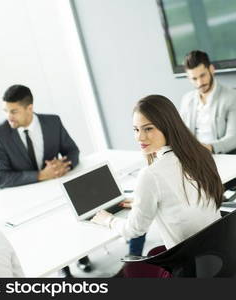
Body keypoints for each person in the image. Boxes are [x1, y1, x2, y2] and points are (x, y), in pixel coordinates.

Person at [92, 95, 223, 277]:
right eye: (136, 129)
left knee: (130, 271)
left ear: (167, 126)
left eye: (148, 129)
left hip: (188, 269)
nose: (140, 137)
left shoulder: (151, 175)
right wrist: (143, 201)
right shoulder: (201, 153)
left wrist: (107, 219)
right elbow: (183, 198)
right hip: (220, 256)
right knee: (155, 252)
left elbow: (134, 229)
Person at [0, 84, 91, 276]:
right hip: (27, 198)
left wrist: (63, 166)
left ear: (29, 108)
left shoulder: (53, 122)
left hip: (57, 188)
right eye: (6, 111)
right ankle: (63, 268)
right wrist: (40, 175)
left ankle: (82, 255)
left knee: (70, 224)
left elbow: (72, 151)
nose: (9, 116)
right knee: (50, 233)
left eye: (14, 111)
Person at [180, 50, 236, 154]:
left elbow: (235, 138)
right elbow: (181, 134)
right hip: (194, 157)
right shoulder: (187, 100)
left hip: (218, 155)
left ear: (211, 69)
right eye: (194, 78)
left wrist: (208, 148)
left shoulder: (233, 97)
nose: (199, 83)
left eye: (202, 75)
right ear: (188, 78)